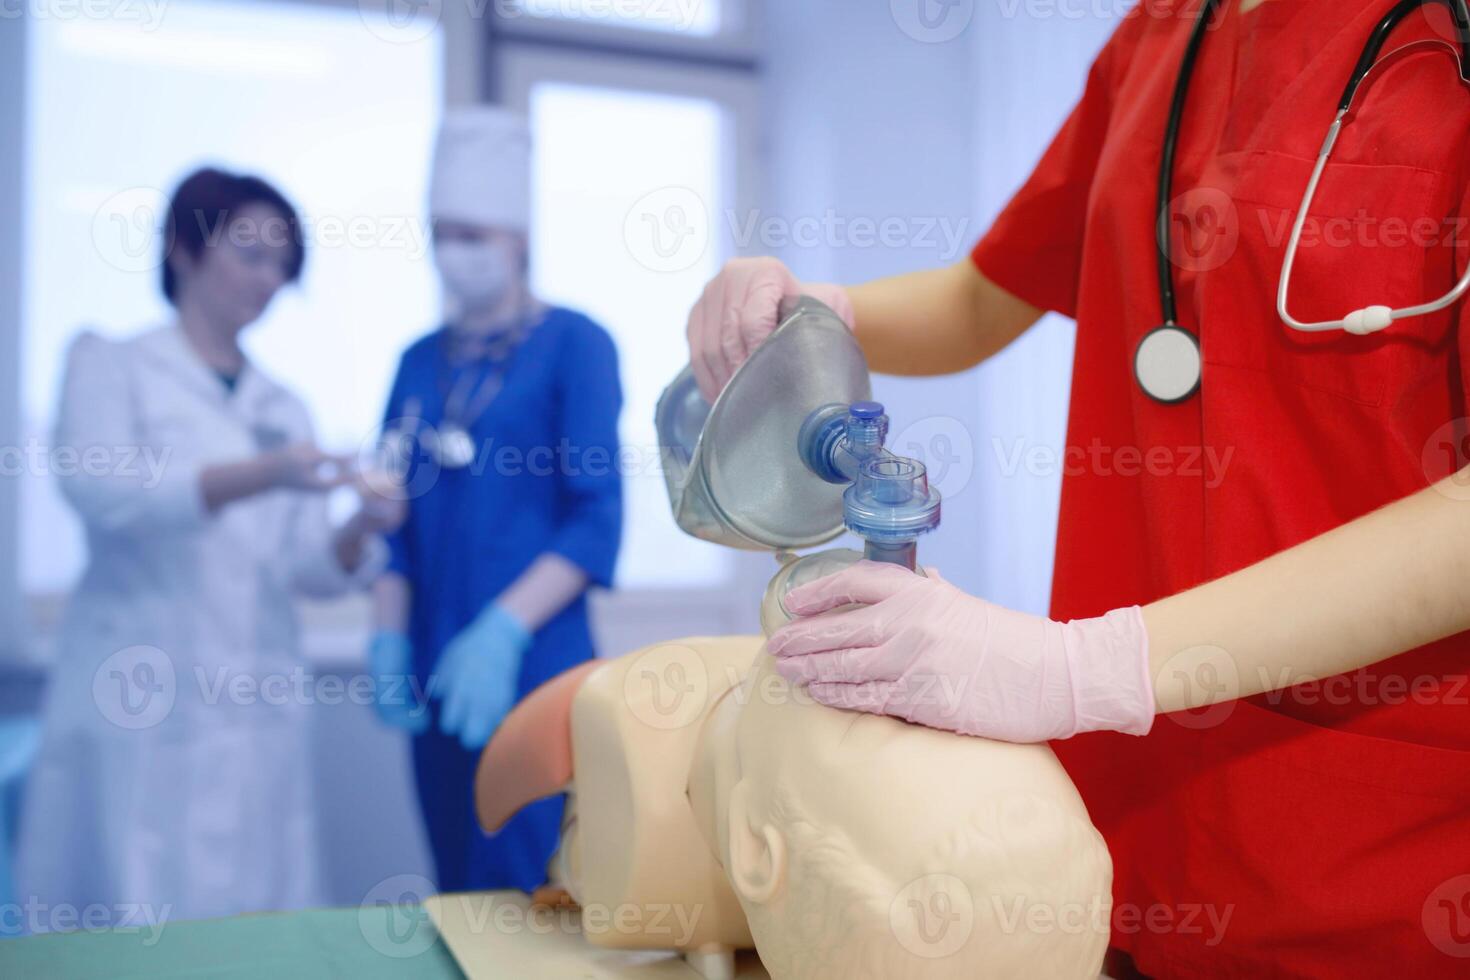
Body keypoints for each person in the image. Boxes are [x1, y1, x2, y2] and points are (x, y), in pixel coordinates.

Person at [683, 1, 1470, 975]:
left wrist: (1084, 668)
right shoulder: (1165, 33)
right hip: (1120, 844)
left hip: (1380, 858)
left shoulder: (1444, 40)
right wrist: (814, 309)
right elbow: (982, 298)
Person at [17, 168, 404, 926]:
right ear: (183, 249)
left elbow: (306, 569)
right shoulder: (112, 363)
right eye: (250, 253)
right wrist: (265, 473)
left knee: (253, 918)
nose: (267, 279)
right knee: (132, 909)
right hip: (136, 689)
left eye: (280, 265)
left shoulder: (282, 402)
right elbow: (106, 491)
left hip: (256, 699)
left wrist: (359, 527)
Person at [367, 107, 623, 895]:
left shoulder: (575, 345)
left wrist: (503, 629)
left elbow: (596, 516)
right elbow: (390, 521)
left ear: (517, 238)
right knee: (457, 882)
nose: (457, 250)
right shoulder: (416, 362)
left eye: (474, 232)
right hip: (434, 661)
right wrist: (385, 641)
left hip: (534, 658)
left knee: (535, 891)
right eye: (443, 231)